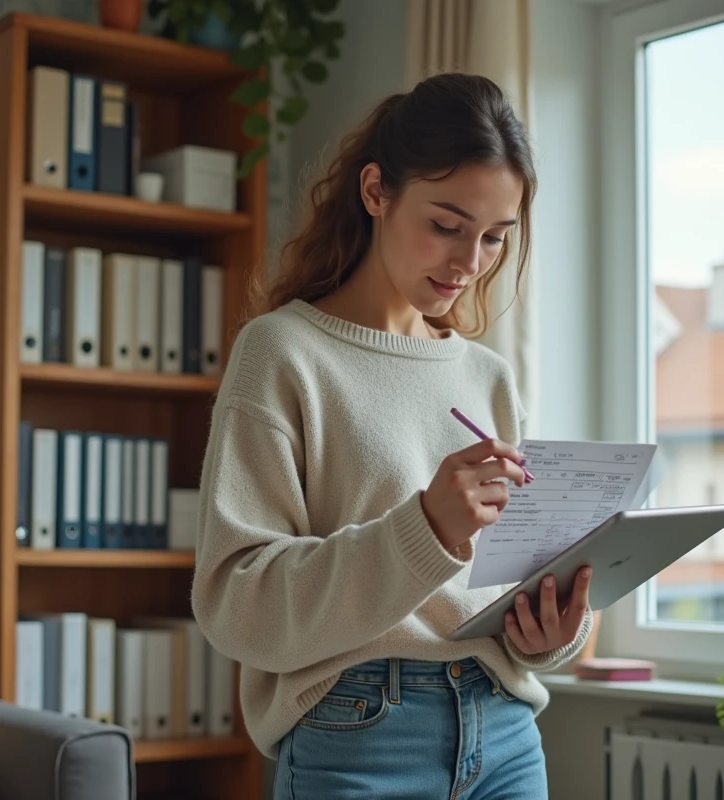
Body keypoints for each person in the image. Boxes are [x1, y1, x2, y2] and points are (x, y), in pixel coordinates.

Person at [191, 72, 593, 799]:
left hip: (505, 735)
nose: (470, 263)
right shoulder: (282, 354)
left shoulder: (489, 377)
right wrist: (424, 530)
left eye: (496, 238)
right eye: (447, 225)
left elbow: (507, 590)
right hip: (359, 736)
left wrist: (550, 633)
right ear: (376, 192)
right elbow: (236, 606)